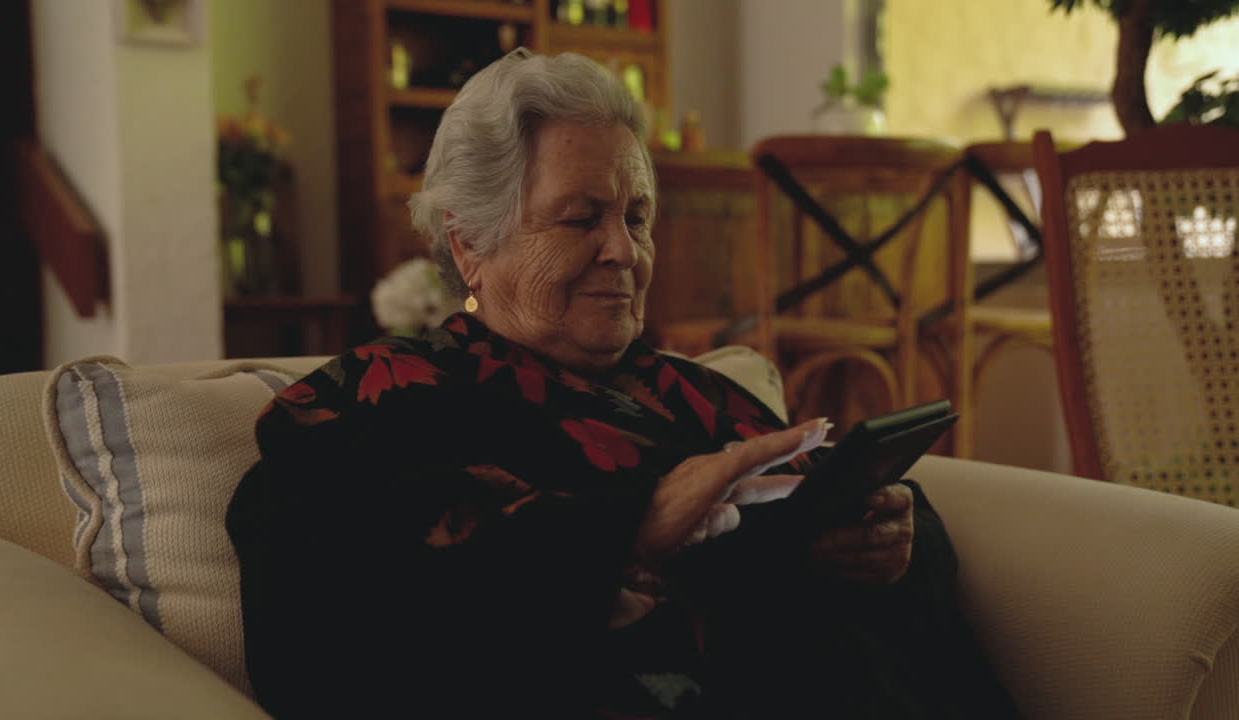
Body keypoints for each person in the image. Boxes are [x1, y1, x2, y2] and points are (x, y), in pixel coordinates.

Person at [226, 48, 1020, 719]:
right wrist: (635, 526)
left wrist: (895, 546)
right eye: (582, 219)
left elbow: (892, 565)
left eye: (637, 218)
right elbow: (327, 630)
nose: (624, 251)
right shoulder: (379, 399)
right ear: (470, 245)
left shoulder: (696, 393)